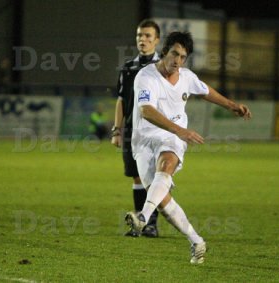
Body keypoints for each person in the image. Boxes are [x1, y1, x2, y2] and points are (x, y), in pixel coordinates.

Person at [125, 31, 252, 264]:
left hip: (171, 137)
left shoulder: (186, 76)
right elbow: (146, 111)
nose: (178, 60)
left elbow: (205, 91)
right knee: (163, 201)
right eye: (175, 53)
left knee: (167, 162)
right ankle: (196, 241)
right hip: (144, 139)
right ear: (165, 52)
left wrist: (231, 105)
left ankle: (143, 216)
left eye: (183, 57)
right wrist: (180, 130)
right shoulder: (146, 77)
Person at [111, 19, 161, 237]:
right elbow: (121, 100)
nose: (143, 40)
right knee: (137, 177)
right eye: (140, 35)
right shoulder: (128, 68)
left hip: (156, 130)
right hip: (133, 131)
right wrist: (117, 130)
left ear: (157, 40)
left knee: (154, 176)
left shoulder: (162, 68)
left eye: (148, 36)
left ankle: (151, 224)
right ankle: (141, 223)